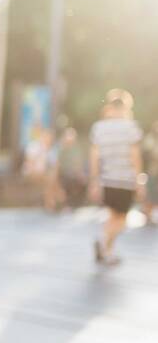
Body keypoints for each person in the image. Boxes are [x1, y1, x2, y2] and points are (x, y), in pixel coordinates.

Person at [89, 93, 143, 265]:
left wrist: (94, 180)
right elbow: (135, 156)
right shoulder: (131, 127)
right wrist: (139, 180)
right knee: (122, 221)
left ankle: (107, 253)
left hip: (106, 179)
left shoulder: (99, 128)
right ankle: (103, 242)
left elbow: (94, 156)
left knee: (112, 216)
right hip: (125, 180)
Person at [56, 127, 87, 209]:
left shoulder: (76, 149)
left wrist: (80, 173)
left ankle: (77, 204)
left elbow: (78, 163)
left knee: (83, 181)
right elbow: (58, 164)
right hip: (63, 174)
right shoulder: (61, 149)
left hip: (74, 173)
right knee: (68, 180)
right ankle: (67, 204)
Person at [141, 120, 158, 224]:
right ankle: (147, 215)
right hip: (153, 171)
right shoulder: (150, 139)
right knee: (150, 193)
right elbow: (146, 154)